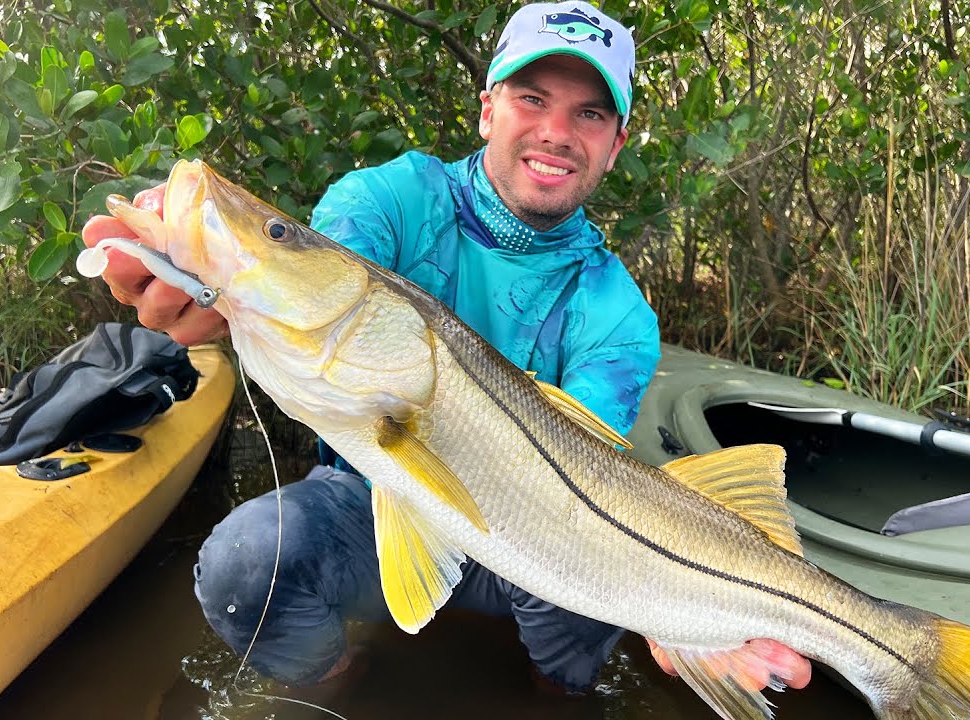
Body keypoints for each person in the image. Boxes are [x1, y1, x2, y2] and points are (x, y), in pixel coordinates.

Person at [82, 0, 811, 698]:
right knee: (249, 566)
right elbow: (323, 292)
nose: (557, 131)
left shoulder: (618, 314)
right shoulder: (388, 201)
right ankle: (337, 690)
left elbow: (579, 489)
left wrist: (675, 614)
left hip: (540, 533)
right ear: (489, 107)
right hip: (370, 496)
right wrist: (220, 289)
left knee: (590, 603)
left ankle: (557, 694)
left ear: (615, 146)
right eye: (532, 97)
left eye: (589, 113)